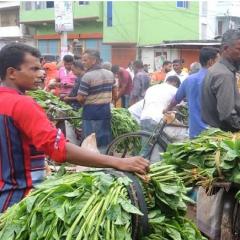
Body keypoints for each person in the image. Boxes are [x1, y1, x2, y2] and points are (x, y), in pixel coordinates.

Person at [0, 43, 149, 212]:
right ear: (11, 72)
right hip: (19, 200)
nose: (41, 74)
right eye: (34, 69)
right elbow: (60, 150)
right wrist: (118, 162)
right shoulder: (23, 104)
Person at [201, 29, 240, 133]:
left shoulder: (216, 69)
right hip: (225, 136)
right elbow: (227, 114)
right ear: (225, 48)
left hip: (213, 132)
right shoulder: (224, 74)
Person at [165, 47, 219, 139]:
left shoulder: (189, 80)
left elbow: (176, 99)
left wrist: (167, 109)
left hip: (195, 132)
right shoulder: (217, 80)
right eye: (219, 61)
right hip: (214, 134)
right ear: (211, 62)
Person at [77, 49, 117, 154]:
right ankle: (105, 162)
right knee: (104, 141)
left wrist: (84, 103)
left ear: (94, 60)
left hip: (90, 112)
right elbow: (115, 94)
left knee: (90, 141)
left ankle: (91, 164)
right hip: (105, 111)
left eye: (85, 60)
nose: (83, 62)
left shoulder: (87, 76)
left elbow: (80, 98)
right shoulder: (110, 74)